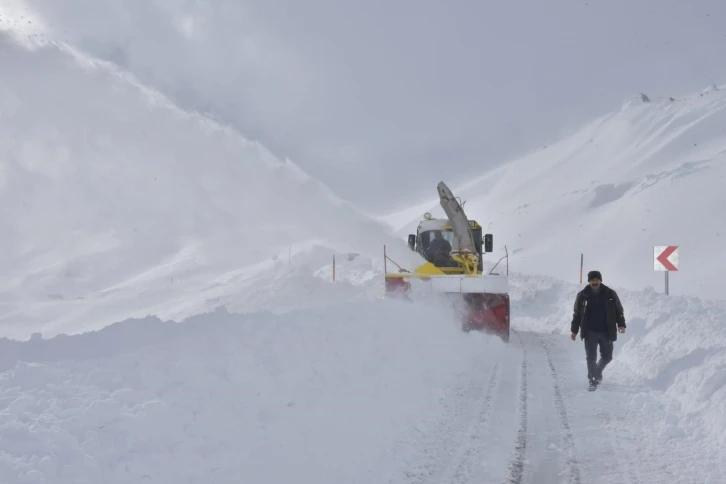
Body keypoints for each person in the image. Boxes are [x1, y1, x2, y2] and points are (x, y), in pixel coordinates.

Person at [570, 270, 626, 388]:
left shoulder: (610, 294)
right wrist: (574, 330)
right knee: (591, 357)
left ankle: (597, 370)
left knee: (607, 357)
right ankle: (593, 379)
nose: (594, 282)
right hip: (590, 332)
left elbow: (619, 310)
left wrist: (621, 324)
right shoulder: (582, 296)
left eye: (597, 280)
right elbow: (577, 314)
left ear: (600, 280)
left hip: (607, 331)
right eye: (592, 280)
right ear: (589, 281)